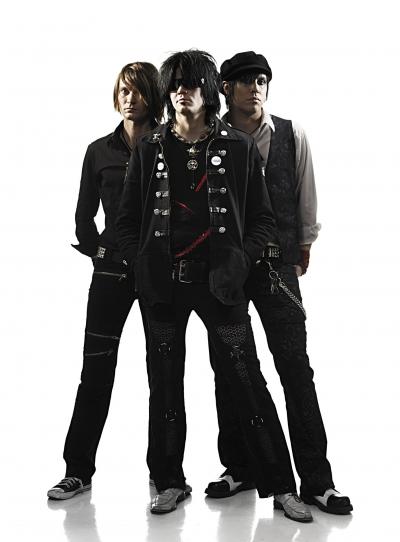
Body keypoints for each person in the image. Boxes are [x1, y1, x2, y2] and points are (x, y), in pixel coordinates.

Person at [116, 49, 312, 522]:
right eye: (175, 85)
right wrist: (141, 264)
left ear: (208, 92)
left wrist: (240, 261)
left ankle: (282, 487)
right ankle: (168, 481)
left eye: (191, 85)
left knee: (247, 379)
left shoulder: (238, 147)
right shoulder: (149, 147)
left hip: (221, 284)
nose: (182, 92)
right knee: (164, 384)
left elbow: (263, 220)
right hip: (162, 288)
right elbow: (125, 221)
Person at [205, 51, 353, 516]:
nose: (255, 88)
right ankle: (240, 466)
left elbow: (305, 191)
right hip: (226, 268)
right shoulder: (209, 137)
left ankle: (318, 481)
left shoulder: (291, 134)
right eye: (246, 80)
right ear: (226, 88)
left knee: (295, 368)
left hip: (275, 265)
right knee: (230, 368)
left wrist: (302, 243)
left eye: (262, 80)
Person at [47, 62, 163, 500]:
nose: (129, 99)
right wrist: (98, 251)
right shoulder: (98, 151)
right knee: (95, 370)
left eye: (137, 91)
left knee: (163, 374)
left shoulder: (170, 146)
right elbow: (83, 217)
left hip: (158, 274)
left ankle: (166, 474)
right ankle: (77, 470)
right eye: (123, 91)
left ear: (153, 95)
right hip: (111, 272)